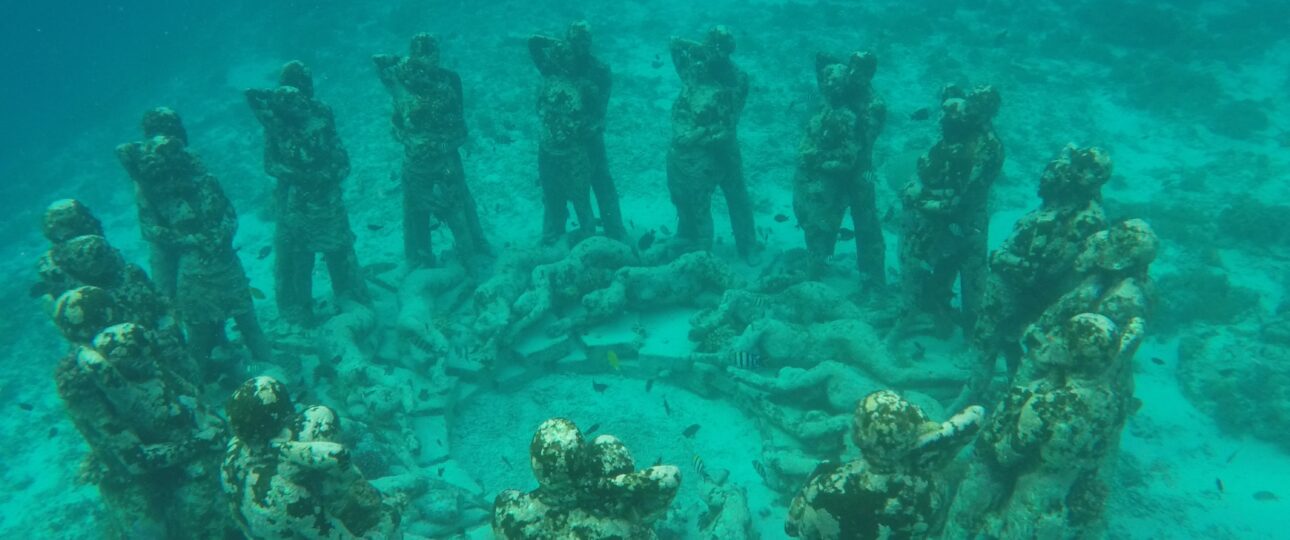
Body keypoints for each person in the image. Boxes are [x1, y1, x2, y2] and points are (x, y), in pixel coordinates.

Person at [246, 61, 370, 323]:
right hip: (297, 202)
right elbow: (270, 164)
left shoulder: (322, 111)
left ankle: (349, 299)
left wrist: (333, 173)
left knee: (339, 248)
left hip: (328, 197)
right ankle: (300, 309)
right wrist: (305, 178)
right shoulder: (276, 124)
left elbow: (337, 149)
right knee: (300, 255)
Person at [374, 34, 490, 270]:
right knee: (415, 213)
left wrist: (440, 147)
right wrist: (411, 141)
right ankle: (419, 260)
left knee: (459, 206)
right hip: (415, 164)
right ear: (412, 58)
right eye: (421, 56)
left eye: (432, 54)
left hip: (446, 161)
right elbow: (396, 124)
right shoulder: (402, 88)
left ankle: (474, 249)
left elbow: (460, 129)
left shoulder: (449, 83)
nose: (428, 61)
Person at [530, 21, 627, 245]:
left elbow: (601, 111)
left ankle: (615, 231)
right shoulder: (555, 65)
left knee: (601, 181)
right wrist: (560, 45)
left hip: (588, 139)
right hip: (558, 141)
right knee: (553, 188)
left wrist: (588, 129)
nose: (580, 46)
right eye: (575, 41)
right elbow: (533, 43)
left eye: (584, 41)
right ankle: (552, 236)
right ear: (568, 41)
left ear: (590, 43)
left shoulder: (599, 70)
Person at [667, 26, 758, 259]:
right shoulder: (696, 66)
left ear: (728, 51)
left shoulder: (737, 78)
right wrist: (699, 47)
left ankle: (747, 247)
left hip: (723, 145)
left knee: (736, 194)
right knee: (692, 194)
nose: (713, 53)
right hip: (696, 148)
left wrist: (701, 137)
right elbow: (674, 43)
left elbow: (730, 121)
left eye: (719, 49)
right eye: (710, 46)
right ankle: (688, 236)